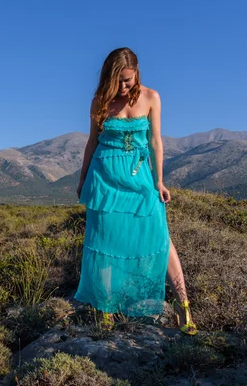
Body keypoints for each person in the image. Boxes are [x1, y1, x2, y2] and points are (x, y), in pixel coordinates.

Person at [74, 47, 197, 335]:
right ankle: (105, 308)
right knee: (104, 239)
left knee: (159, 235)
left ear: (137, 71)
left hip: (139, 175)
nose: (123, 86)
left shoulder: (152, 97)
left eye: (128, 80)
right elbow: (92, 142)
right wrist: (82, 179)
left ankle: (183, 304)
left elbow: (155, 142)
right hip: (104, 176)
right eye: (118, 81)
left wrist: (159, 181)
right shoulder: (100, 102)